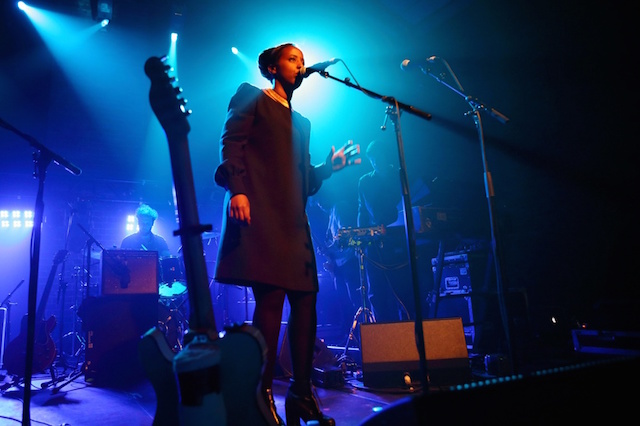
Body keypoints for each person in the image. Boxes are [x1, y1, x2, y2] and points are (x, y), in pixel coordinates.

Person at [213, 42, 360, 426]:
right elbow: (231, 142)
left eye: (303, 61)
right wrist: (237, 189)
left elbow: (302, 180)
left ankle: (301, 395)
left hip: (294, 222)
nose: (301, 65)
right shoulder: (252, 96)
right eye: (293, 59)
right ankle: (260, 394)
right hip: (262, 213)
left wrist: (328, 168)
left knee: (307, 301)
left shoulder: (302, 123)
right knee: (271, 302)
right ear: (272, 67)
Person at [357, 140, 413, 323]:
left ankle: (407, 332)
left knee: (403, 291)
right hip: (374, 244)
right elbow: (362, 211)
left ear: (385, 155)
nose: (375, 162)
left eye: (378, 157)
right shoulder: (365, 181)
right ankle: (382, 333)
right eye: (371, 158)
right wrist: (361, 236)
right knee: (376, 293)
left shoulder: (399, 176)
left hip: (398, 240)